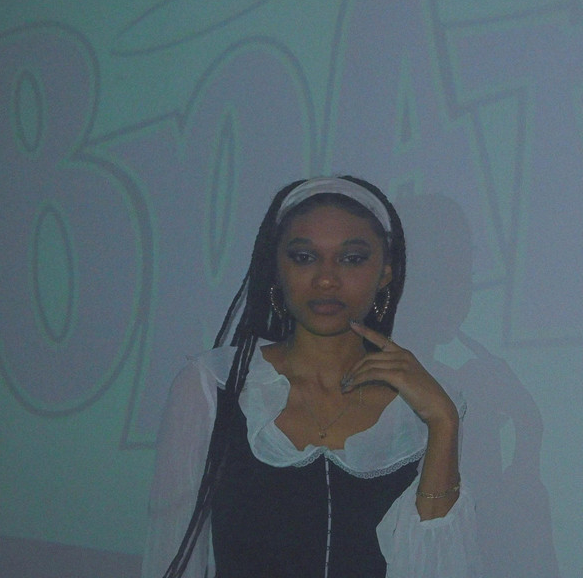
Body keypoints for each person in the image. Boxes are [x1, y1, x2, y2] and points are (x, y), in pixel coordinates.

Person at [141, 176, 481, 578]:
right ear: (275, 268)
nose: (326, 278)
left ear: (385, 273)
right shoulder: (212, 386)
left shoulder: (425, 404)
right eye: (304, 257)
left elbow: (434, 565)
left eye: (352, 258)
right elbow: (175, 549)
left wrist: (443, 421)